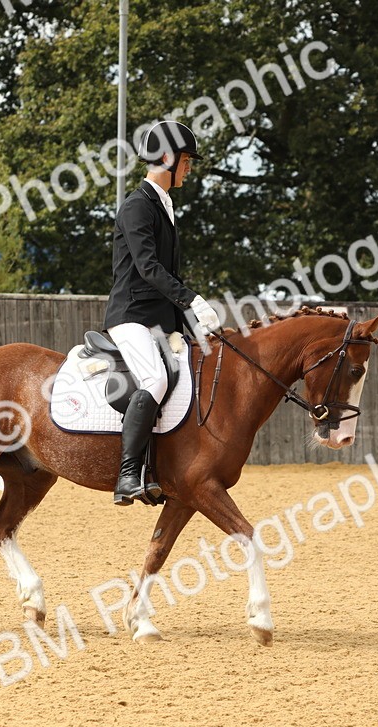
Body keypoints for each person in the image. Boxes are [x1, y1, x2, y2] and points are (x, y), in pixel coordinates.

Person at [103, 120, 221, 505]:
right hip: (131, 316)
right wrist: (192, 299)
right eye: (187, 161)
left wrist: (195, 324)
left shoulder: (164, 206)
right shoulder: (138, 206)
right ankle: (127, 474)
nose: (189, 168)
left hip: (160, 320)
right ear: (168, 159)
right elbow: (149, 269)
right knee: (154, 379)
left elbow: (168, 274)